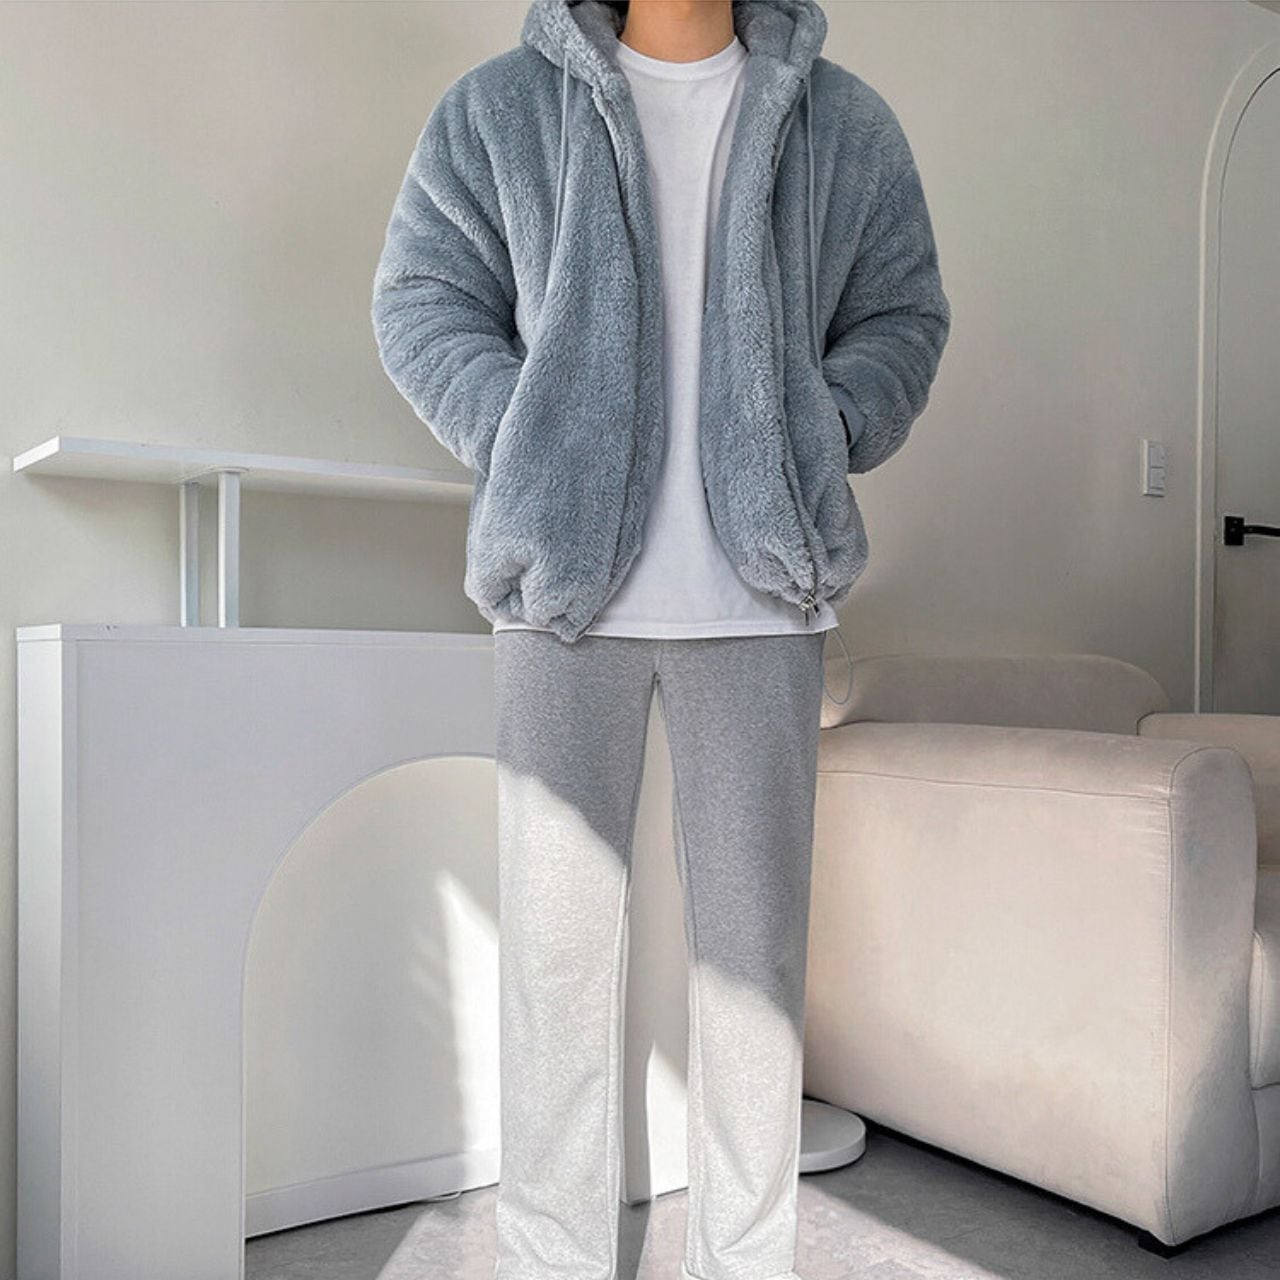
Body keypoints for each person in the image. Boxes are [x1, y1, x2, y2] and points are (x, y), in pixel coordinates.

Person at [371, 1, 951, 1276]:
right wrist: (523, 434)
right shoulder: (500, 110)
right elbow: (419, 299)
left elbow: (902, 317)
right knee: (554, 961)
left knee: (755, 969)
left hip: (761, 596)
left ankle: (745, 1258)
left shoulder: (840, 122)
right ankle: (552, 1259)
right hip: (561, 597)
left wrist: (821, 427)